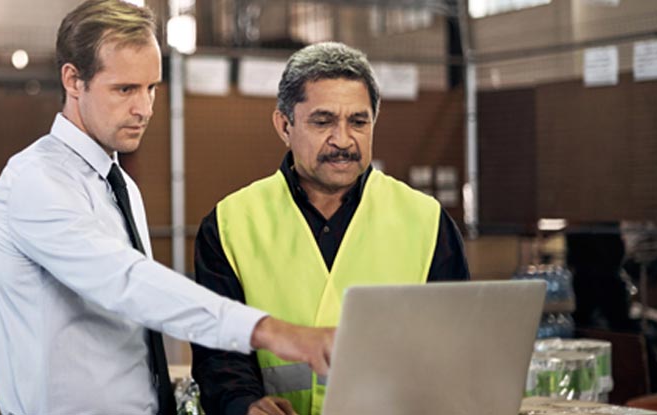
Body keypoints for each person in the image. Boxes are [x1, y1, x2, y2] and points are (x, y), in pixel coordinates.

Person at [0, 2, 338, 414]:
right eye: (125, 89)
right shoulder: (35, 181)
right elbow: (126, 283)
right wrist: (270, 331)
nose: (145, 108)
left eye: (151, 87)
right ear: (73, 80)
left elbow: (134, 327)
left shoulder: (120, 187)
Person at [190, 42, 471, 415]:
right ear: (284, 126)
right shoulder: (230, 224)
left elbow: (455, 350)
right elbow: (218, 354)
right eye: (323, 121)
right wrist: (244, 405)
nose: (342, 140)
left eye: (358, 121)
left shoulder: (427, 221)